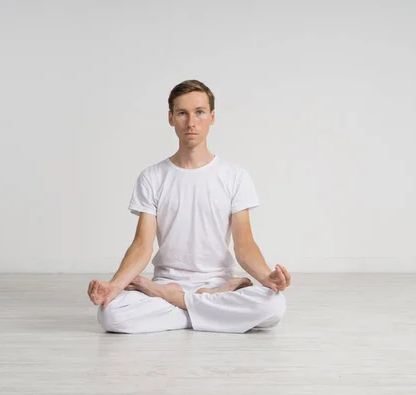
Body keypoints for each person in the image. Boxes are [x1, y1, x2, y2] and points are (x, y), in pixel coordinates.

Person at [87, 79, 291, 334]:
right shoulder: (152, 177)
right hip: (168, 281)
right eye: (182, 113)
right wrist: (115, 286)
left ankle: (180, 303)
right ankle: (211, 307)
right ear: (171, 118)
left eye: (199, 112)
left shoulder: (235, 176)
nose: (191, 122)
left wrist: (265, 277)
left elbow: (245, 244)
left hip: (210, 281)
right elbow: (142, 245)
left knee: (273, 307)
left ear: (212, 117)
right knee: (111, 315)